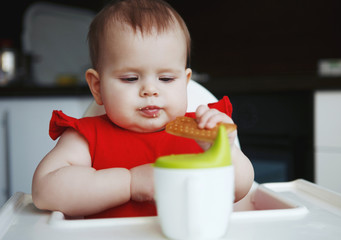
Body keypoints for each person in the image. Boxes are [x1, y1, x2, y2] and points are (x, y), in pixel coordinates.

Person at [32, 0, 254, 219]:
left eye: (166, 78)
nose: (150, 90)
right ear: (98, 87)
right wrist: (130, 182)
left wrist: (227, 150)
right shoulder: (86, 138)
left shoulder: (200, 132)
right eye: (130, 78)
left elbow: (239, 190)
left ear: (185, 82)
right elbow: (44, 191)